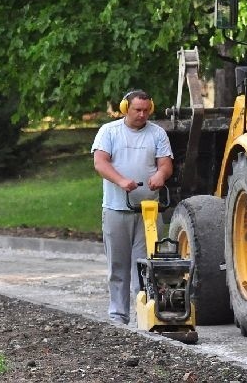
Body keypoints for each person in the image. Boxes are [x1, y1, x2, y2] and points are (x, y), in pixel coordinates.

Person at [91, 89, 173, 325]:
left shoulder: (157, 133)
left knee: (146, 265)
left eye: (146, 110)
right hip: (116, 209)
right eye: (137, 110)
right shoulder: (109, 132)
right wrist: (120, 181)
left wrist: (161, 175)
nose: (142, 114)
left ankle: (144, 315)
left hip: (148, 211)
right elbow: (100, 162)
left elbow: (166, 164)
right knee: (118, 266)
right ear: (126, 108)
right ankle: (118, 316)